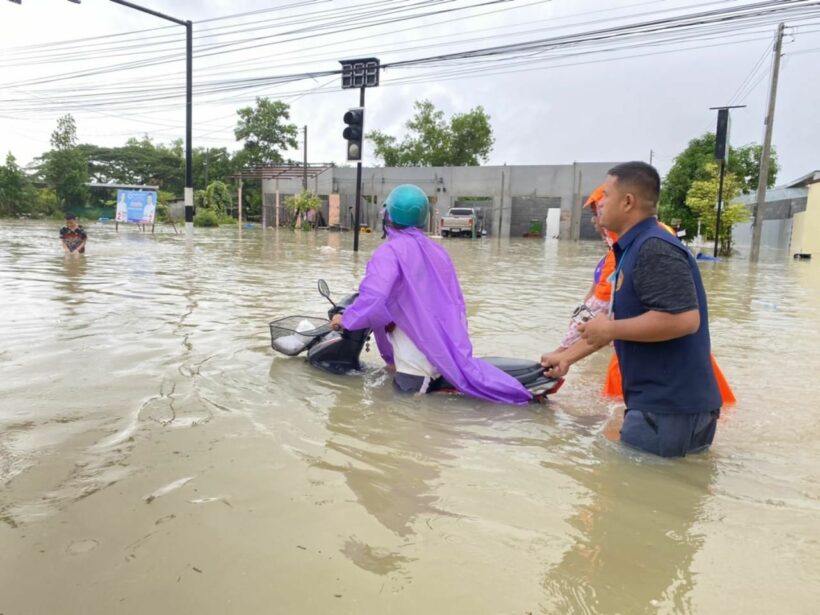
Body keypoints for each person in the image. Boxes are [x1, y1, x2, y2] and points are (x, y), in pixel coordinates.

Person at [543, 162, 722, 457]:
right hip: (664, 408)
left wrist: (610, 328)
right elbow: (625, 325)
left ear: (628, 202)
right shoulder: (631, 248)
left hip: (666, 410)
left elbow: (684, 320)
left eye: (607, 195)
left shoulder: (654, 246)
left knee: (637, 497)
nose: (599, 204)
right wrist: (566, 358)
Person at [330, 184, 531, 405]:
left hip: (416, 364)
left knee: (402, 422)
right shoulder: (437, 251)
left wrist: (345, 319)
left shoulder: (388, 252)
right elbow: (453, 301)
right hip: (442, 350)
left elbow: (374, 299)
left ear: (388, 216)